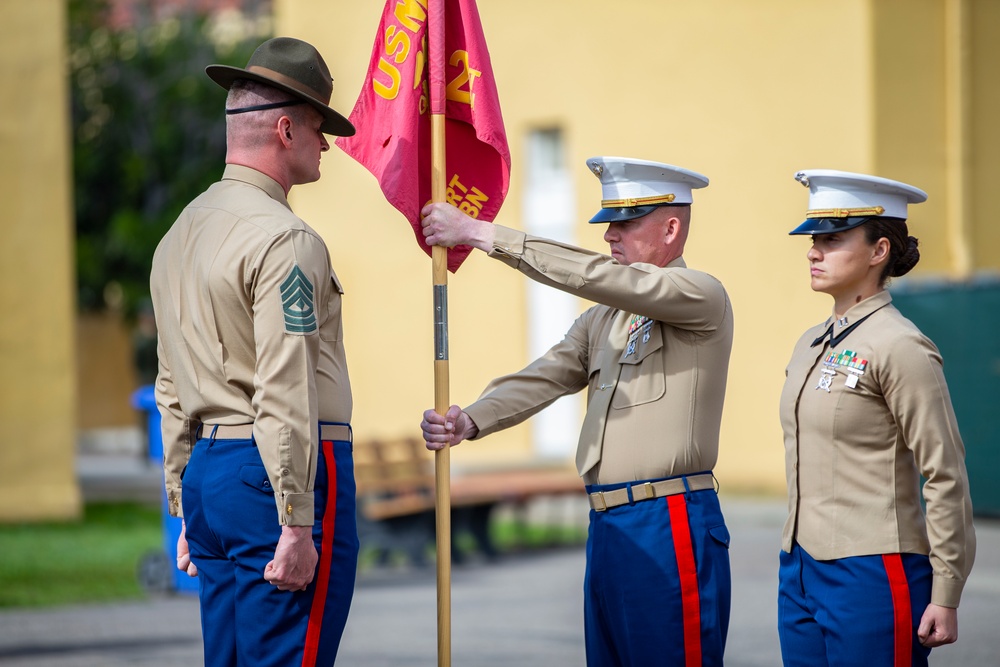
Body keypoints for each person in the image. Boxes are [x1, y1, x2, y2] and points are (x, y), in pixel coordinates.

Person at [420, 157, 735, 666]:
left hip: (667, 517)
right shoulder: (606, 319)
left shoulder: (699, 293)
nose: (610, 235)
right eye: (609, 223)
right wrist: (471, 419)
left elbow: (595, 277)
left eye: (627, 223)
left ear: (671, 227)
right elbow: (547, 375)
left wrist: (483, 234)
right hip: (608, 523)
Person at [150, 37, 359, 666]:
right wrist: (297, 515)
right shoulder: (286, 240)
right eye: (321, 128)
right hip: (276, 475)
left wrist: (184, 501)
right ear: (287, 129)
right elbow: (284, 384)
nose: (327, 145)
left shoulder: (177, 235)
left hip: (212, 474)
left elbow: (170, 385)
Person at [778, 169, 977, 666]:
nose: (813, 251)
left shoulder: (900, 345)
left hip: (873, 569)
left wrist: (946, 589)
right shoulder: (811, 342)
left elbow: (944, 472)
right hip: (799, 569)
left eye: (831, 239)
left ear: (878, 251)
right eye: (812, 240)